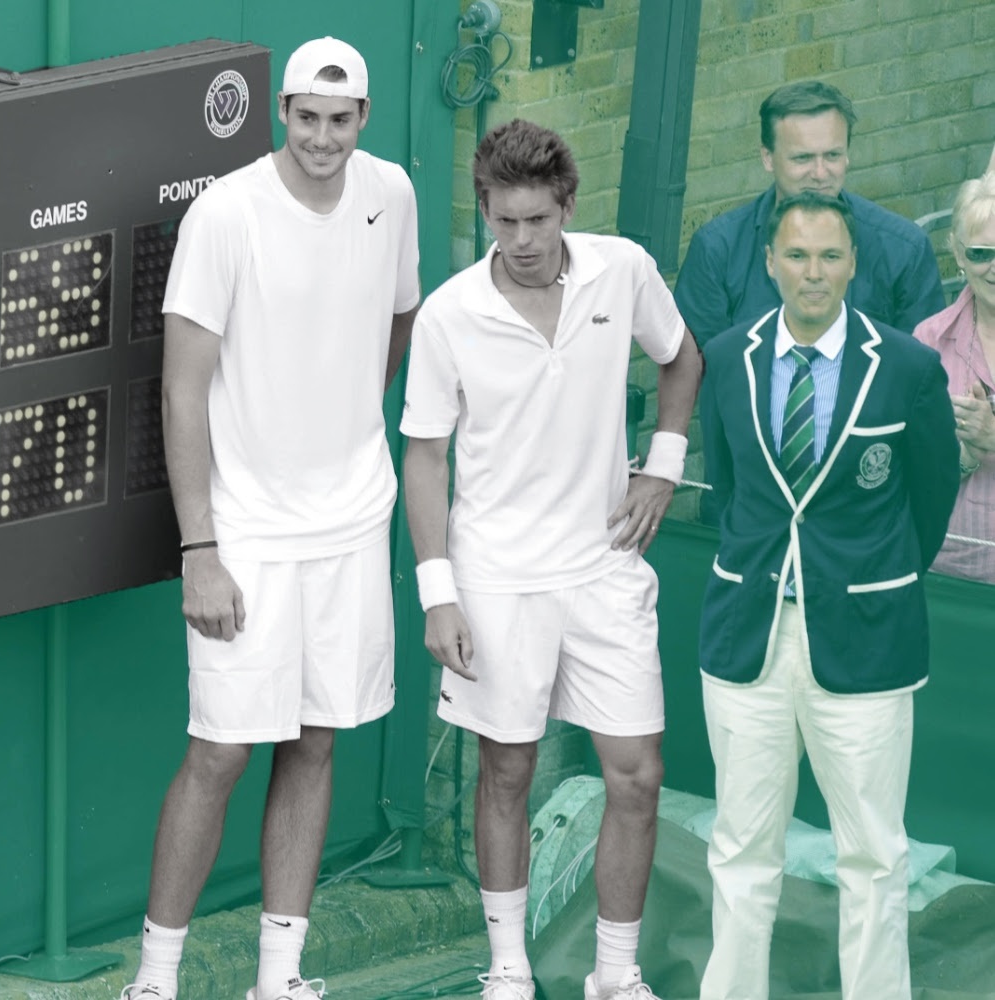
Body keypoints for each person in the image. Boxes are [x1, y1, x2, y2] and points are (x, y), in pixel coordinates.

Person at [118, 36, 421, 1000]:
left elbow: (398, 320)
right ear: (280, 112)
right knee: (221, 751)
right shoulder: (227, 213)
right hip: (243, 534)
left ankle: (277, 980)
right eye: (305, 118)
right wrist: (200, 547)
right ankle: (154, 982)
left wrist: (344, 429)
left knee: (319, 740)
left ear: (362, 119)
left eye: (340, 120)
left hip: (351, 521)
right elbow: (182, 388)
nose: (322, 138)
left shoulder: (393, 195)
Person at [401, 119, 703, 1000]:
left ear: (567, 206)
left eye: (538, 220)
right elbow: (424, 456)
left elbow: (682, 360)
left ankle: (615, 976)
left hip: (604, 566)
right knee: (508, 771)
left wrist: (663, 469)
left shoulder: (624, 268)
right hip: (495, 577)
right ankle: (507, 969)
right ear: (486, 212)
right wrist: (438, 595)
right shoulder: (451, 314)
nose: (523, 242)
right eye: (505, 223)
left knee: (637, 774)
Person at [695, 191, 959, 1000]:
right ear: (771, 262)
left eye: (831, 256)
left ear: (854, 263)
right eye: (798, 256)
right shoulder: (730, 357)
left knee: (875, 856)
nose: (815, 273)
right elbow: (730, 491)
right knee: (741, 848)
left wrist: (871, 580)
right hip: (748, 635)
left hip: (868, 638)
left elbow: (931, 493)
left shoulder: (909, 366)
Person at [676, 81, 946, 343]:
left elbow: (921, 371)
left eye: (832, 156)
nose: (820, 174)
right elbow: (701, 371)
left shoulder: (904, 250)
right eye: (802, 158)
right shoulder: (717, 251)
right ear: (767, 157)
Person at [912, 167, 995, 582]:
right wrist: (961, 457)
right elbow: (907, 464)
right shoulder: (929, 340)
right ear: (958, 254)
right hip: (948, 570)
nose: (994, 267)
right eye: (982, 253)